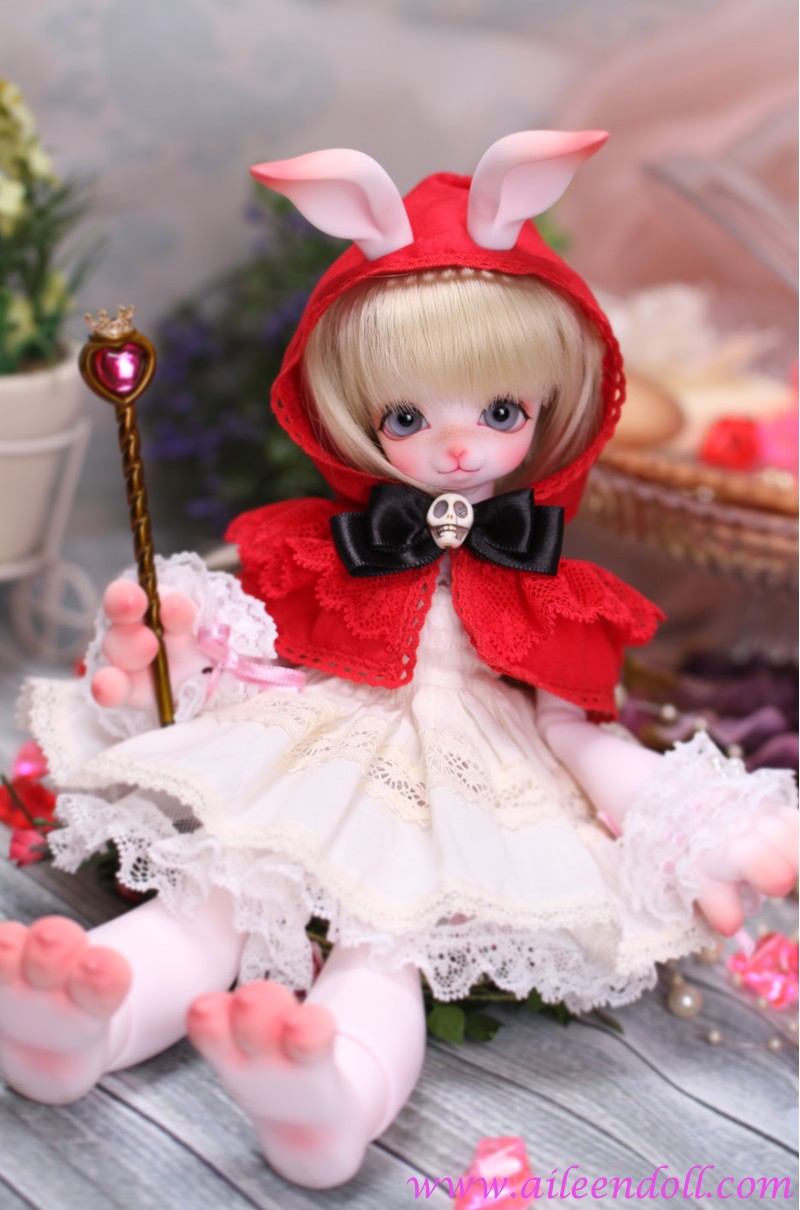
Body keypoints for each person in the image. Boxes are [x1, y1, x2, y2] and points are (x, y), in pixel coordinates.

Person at [1, 133, 796, 1190]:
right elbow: (266, 649)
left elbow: (575, 728)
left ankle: (331, 1092)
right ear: (347, 411)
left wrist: (685, 812)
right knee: (214, 894)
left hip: (471, 785)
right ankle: (84, 1016)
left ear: (552, 406)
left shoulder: (551, 586)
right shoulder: (322, 546)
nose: (458, 449)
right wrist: (182, 652)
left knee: (385, 944)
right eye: (408, 417)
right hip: (315, 738)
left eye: (501, 412)